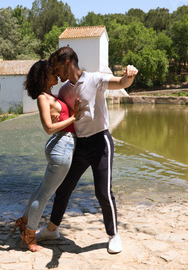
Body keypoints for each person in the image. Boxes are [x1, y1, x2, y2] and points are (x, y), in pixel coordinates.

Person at [36, 46, 138, 254]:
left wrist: (129, 75)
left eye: (56, 68)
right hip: (80, 145)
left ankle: (113, 235)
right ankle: (52, 230)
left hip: (101, 142)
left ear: (67, 63)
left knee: (103, 192)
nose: (55, 73)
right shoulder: (65, 90)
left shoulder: (95, 79)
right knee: (64, 187)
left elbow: (120, 83)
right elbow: (63, 113)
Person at [14, 59, 82, 252]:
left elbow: (57, 121)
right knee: (44, 195)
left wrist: (66, 116)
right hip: (61, 148)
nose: (56, 74)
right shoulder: (43, 97)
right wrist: (73, 118)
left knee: (41, 190)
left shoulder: (52, 95)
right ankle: (30, 235)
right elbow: (48, 128)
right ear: (43, 76)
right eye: (52, 72)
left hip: (62, 145)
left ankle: (24, 221)